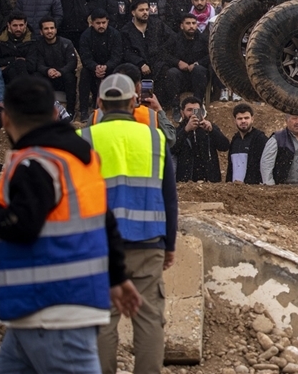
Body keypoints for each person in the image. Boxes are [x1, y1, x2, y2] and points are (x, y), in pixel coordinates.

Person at [0, 76, 141, 374]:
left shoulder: (33, 164)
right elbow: (104, 219)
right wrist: (116, 275)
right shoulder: (78, 159)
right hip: (44, 311)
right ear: (54, 113)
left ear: (5, 118)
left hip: (49, 310)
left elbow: (22, 225)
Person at [80, 72, 177, 374]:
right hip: (148, 242)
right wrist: (169, 244)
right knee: (148, 318)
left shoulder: (83, 139)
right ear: (135, 102)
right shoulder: (154, 138)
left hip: (98, 246)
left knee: (103, 318)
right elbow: (169, 197)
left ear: (99, 103)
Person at [78, 9, 123, 117]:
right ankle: (83, 110)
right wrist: (95, 67)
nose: (101, 25)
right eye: (98, 23)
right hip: (92, 68)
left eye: (103, 22)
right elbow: (85, 56)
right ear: (92, 23)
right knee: (84, 73)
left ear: (108, 21)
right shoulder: (85, 36)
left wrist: (107, 66)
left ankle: (116, 107)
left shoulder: (115, 34)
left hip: (110, 67)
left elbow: (117, 55)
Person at [173, 95, 228, 183]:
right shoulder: (177, 131)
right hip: (186, 182)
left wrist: (212, 130)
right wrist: (186, 130)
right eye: (189, 110)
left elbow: (224, 146)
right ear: (182, 112)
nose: (193, 114)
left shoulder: (209, 128)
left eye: (196, 110)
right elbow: (172, 149)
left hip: (210, 181)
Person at [260, 114, 298, 187]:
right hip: (285, 191)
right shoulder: (277, 139)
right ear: (286, 121)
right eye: (294, 118)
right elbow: (266, 165)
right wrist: (270, 187)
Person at [35, 17, 78, 115]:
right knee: (36, 76)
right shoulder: (39, 45)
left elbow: (72, 63)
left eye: (52, 28)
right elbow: (39, 64)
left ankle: (70, 112)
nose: (49, 31)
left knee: (70, 77)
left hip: (63, 77)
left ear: (56, 29)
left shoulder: (67, 43)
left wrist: (61, 72)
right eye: (46, 29)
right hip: (47, 77)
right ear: (41, 31)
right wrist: (48, 70)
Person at [165, 13, 209, 106]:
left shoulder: (203, 39)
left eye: (193, 23)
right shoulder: (174, 39)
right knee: (172, 72)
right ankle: (175, 107)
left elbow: (210, 56)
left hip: (198, 76)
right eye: (188, 23)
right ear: (182, 26)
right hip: (180, 76)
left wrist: (197, 63)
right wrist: (178, 62)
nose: (191, 26)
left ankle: (198, 105)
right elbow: (164, 54)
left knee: (199, 69)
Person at [225, 102, 268, 184]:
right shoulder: (235, 140)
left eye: (246, 118)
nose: (243, 121)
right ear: (235, 120)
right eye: (240, 119)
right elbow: (231, 167)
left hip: (253, 190)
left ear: (252, 119)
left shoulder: (260, 139)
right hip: (234, 190)